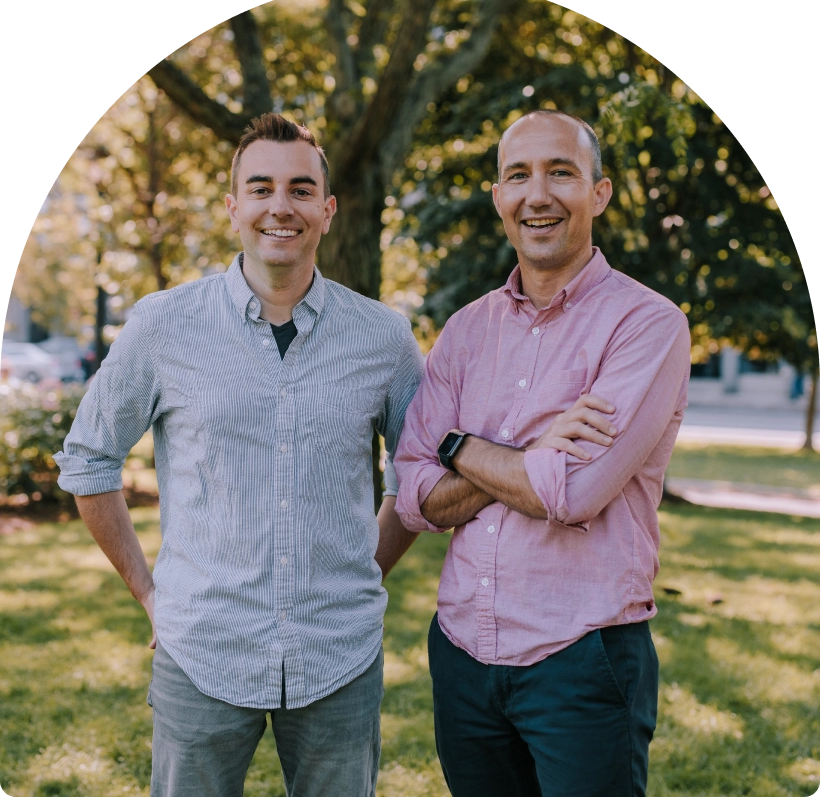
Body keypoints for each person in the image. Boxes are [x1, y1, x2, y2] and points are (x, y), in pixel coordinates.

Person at [54, 113, 423, 797]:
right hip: (201, 649)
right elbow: (88, 462)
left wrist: (363, 571)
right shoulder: (163, 326)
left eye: (300, 189)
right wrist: (148, 593)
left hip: (337, 656)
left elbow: (420, 474)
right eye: (260, 188)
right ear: (233, 208)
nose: (280, 207)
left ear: (327, 209)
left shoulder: (384, 338)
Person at [395, 109, 691, 797]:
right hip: (463, 655)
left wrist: (459, 443)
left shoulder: (647, 324)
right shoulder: (466, 331)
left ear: (600, 192)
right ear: (498, 195)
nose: (538, 194)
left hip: (582, 660)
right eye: (518, 175)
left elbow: (574, 492)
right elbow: (416, 496)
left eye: (561, 172)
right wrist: (533, 448)